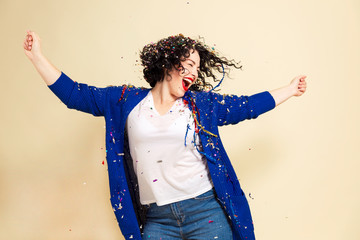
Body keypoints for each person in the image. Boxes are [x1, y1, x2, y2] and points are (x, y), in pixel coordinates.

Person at [23, 30, 307, 240]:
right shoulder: (124, 101)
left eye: (198, 67)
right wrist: (37, 57)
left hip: (206, 213)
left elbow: (247, 106)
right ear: (169, 63)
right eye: (189, 64)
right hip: (159, 221)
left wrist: (290, 89)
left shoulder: (201, 106)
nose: (194, 72)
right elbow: (76, 95)